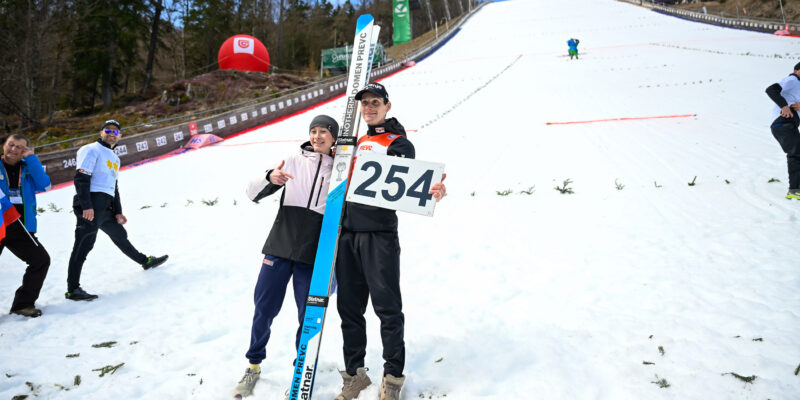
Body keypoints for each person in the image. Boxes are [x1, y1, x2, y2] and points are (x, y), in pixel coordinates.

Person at [334, 82, 446, 400]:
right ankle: (355, 375)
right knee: (349, 309)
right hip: (347, 235)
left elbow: (408, 186)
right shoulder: (355, 143)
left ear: (387, 106)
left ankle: (393, 377)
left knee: (387, 309)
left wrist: (431, 190)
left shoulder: (398, 143)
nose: (369, 107)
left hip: (378, 235)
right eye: (364, 103)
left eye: (375, 102)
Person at [233, 115, 339, 398]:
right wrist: (269, 177)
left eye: (324, 132)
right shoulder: (292, 160)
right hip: (279, 247)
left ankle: (301, 370)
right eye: (313, 131)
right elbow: (251, 193)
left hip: (312, 253)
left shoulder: (340, 169)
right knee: (264, 308)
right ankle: (253, 365)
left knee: (309, 316)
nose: (317, 136)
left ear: (333, 137)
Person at [65, 120, 168, 301]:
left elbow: (114, 186)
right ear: (101, 132)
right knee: (84, 244)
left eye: (115, 132)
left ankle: (145, 261)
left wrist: (117, 211)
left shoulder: (114, 158)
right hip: (91, 202)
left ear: (120, 136)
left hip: (106, 205)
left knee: (120, 235)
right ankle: (73, 289)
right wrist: (87, 206)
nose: (111, 134)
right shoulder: (90, 149)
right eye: (108, 130)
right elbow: (81, 179)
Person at [0, 134, 51, 317]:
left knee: (40, 260)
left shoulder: (28, 167)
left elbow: (45, 185)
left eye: (20, 147)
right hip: (0, 223)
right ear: (4, 145)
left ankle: (23, 305)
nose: (14, 149)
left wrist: (32, 158)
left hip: (20, 226)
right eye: (11, 144)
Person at [766, 62, 800, 200]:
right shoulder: (792, 79)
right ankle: (795, 190)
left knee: (796, 154)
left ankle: (795, 189)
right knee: (796, 154)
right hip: (782, 124)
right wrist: (784, 106)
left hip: (789, 125)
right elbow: (771, 89)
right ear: (796, 71)